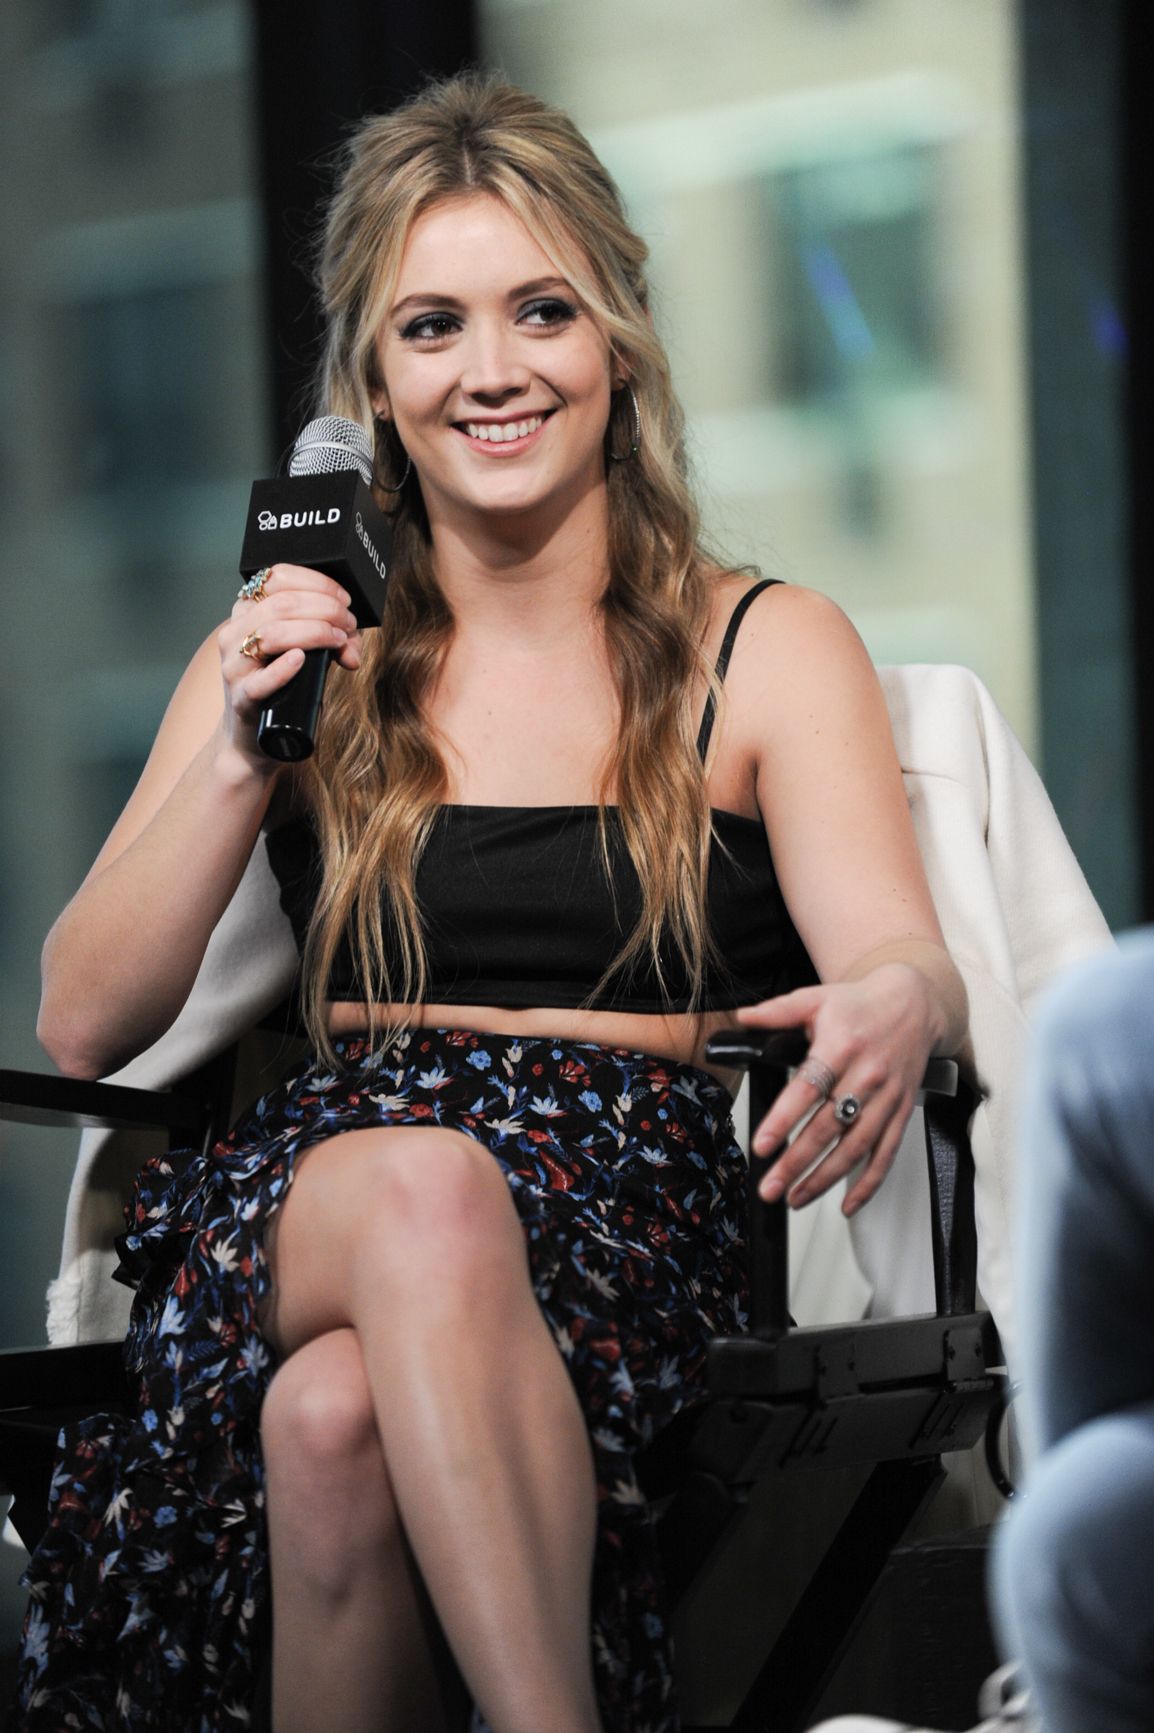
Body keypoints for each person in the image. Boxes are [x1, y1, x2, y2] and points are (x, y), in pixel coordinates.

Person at [13, 72, 967, 1733]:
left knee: (328, 1423)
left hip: (629, 1216)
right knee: (424, 1186)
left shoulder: (763, 644)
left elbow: (900, 952)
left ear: (617, 340)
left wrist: (897, 994)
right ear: (374, 384)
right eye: (431, 326)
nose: (493, 369)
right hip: (330, 1183)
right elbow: (83, 1018)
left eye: (541, 309)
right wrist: (242, 748)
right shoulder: (292, 646)